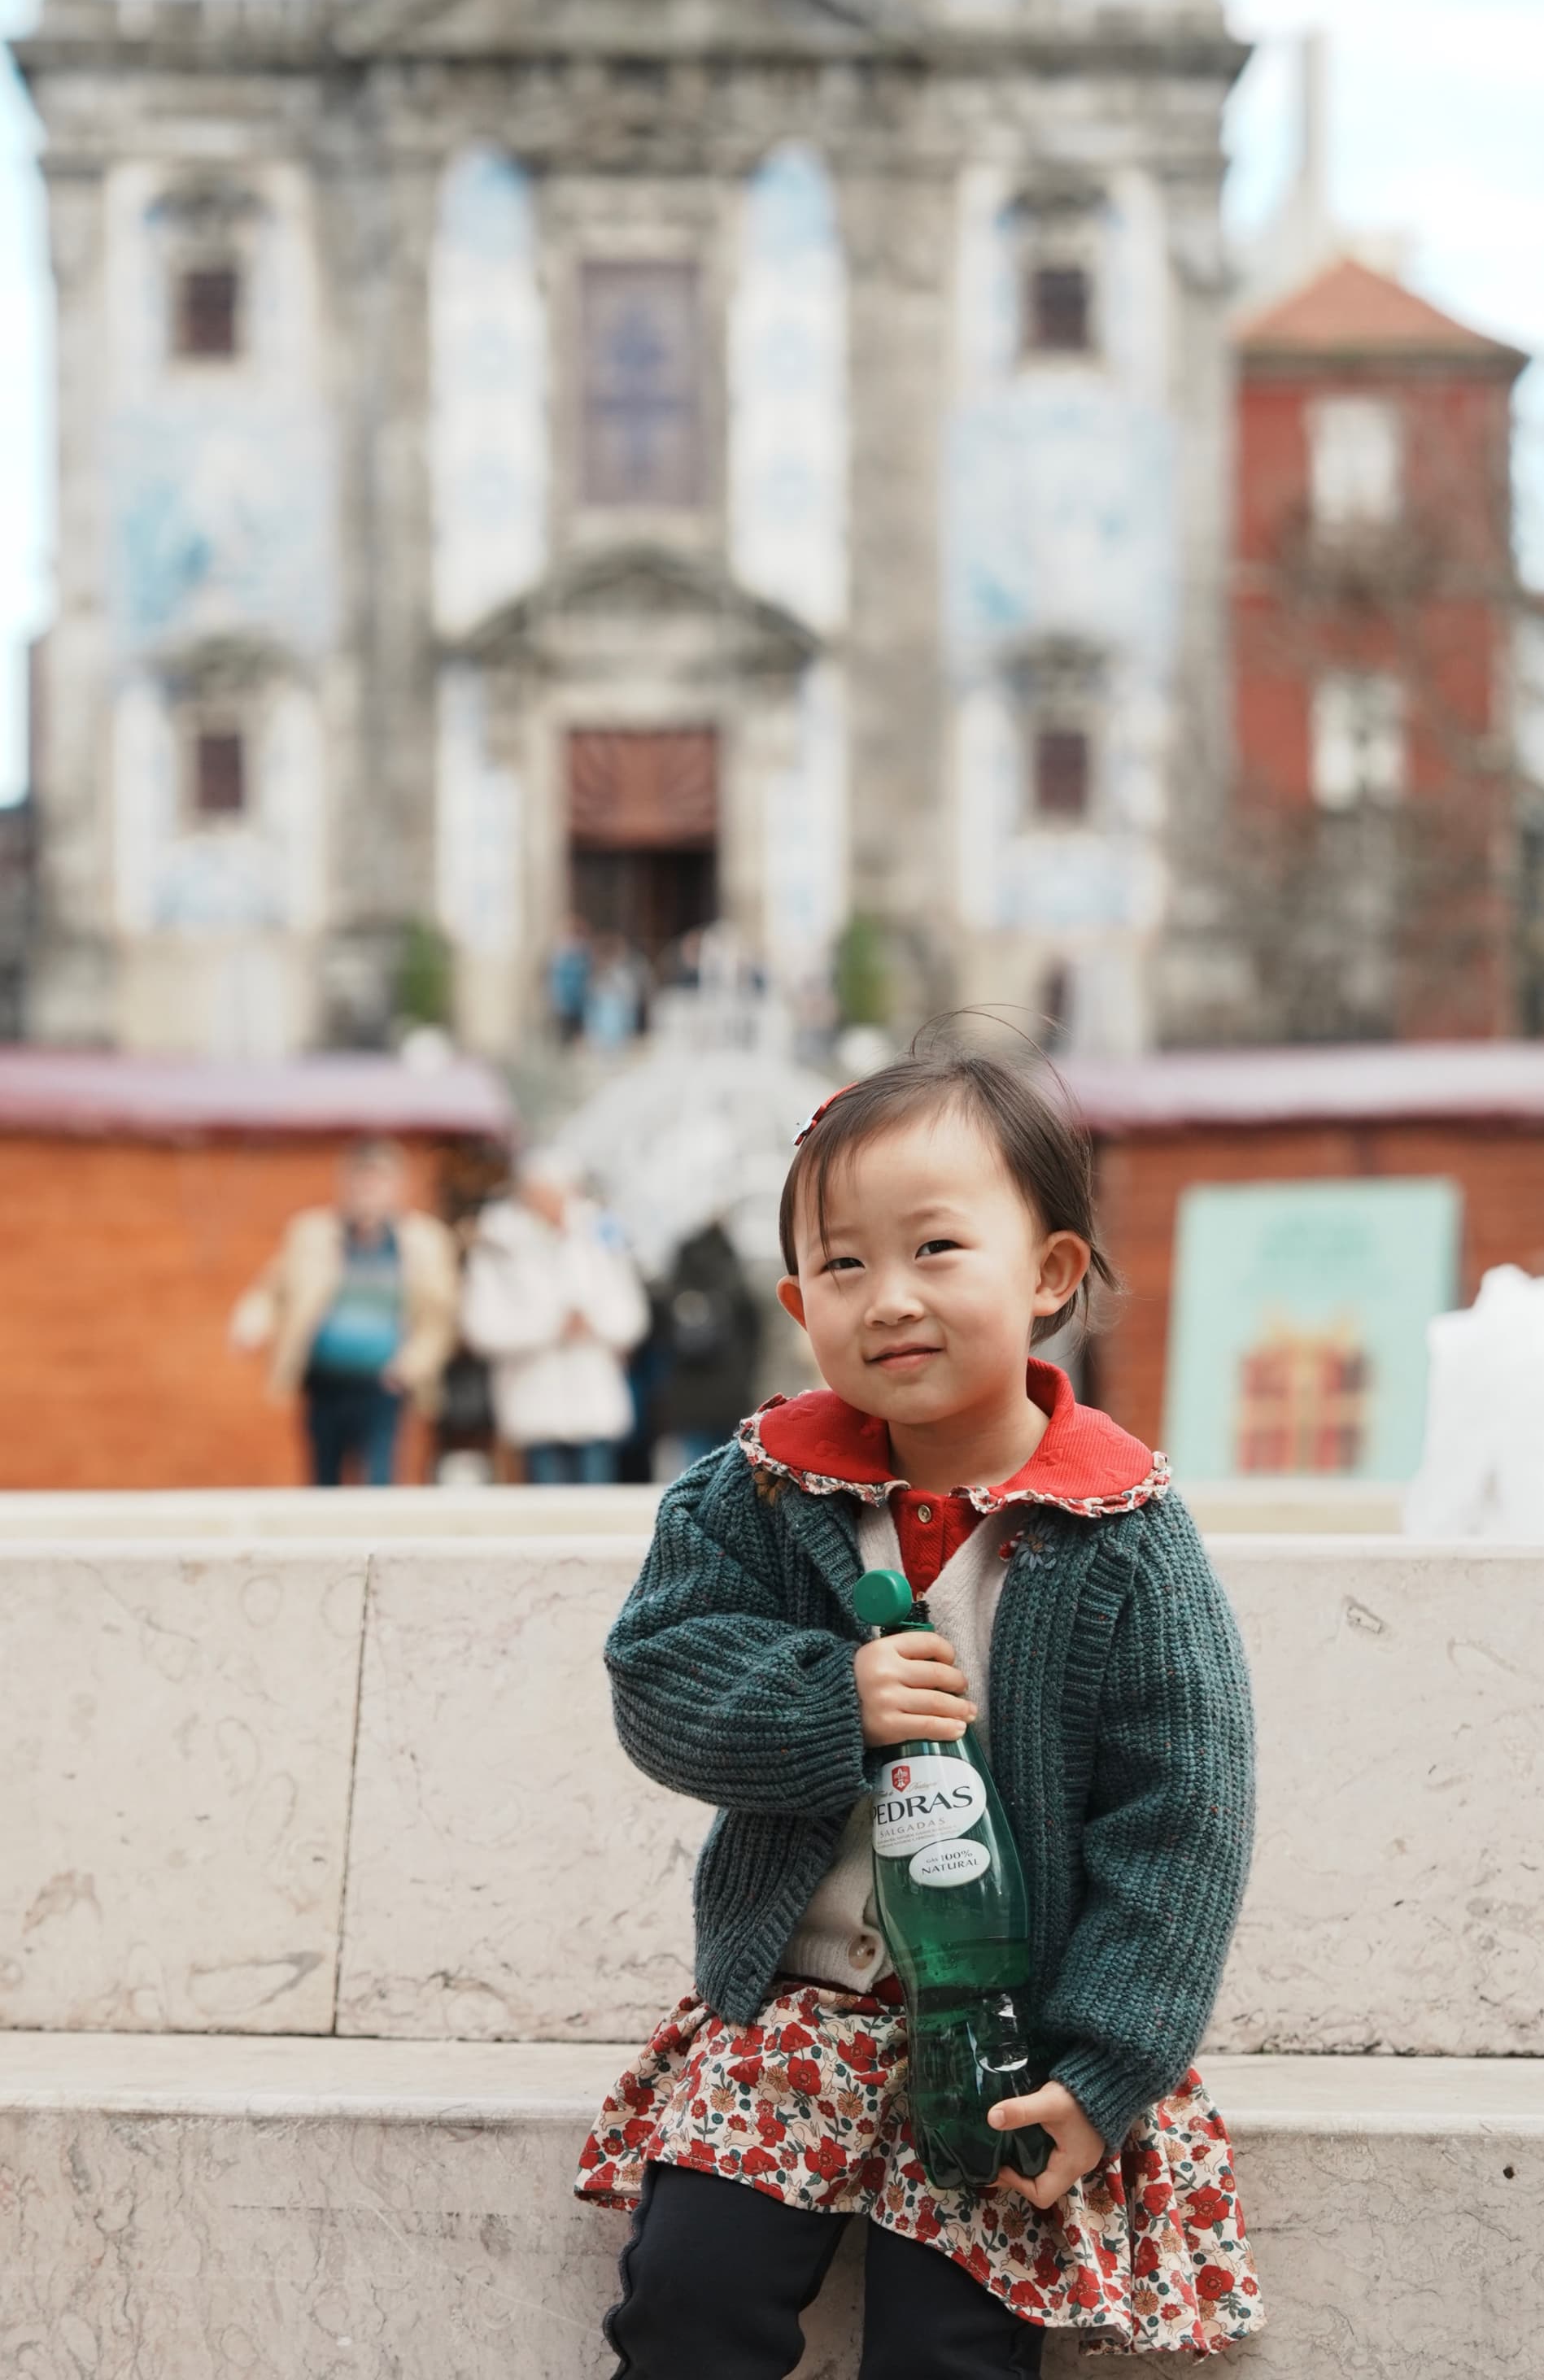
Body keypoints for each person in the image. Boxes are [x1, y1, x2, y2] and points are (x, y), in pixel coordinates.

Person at [576, 1040, 1263, 2372]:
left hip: (1016, 2026)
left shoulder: (1121, 1533)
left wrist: (1110, 2062)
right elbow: (656, 1671)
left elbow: (1183, 1811)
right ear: (796, 1301)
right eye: (842, 1265)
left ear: (1051, 1272)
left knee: (952, 2343)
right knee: (687, 2292)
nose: (886, 1297)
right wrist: (828, 1699)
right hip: (805, 2005)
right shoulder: (761, 1492)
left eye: (935, 1248)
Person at [229, 1140, 458, 1487]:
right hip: (325, 1380)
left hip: (385, 1382)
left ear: (398, 1187)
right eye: (361, 1181)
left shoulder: (423, 1242)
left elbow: (440, 1319)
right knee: (324, 1477)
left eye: (378, 1181)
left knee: (378, 1478)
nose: (369, 1190)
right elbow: (272, 1292)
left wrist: (411, 1366)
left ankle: (378, 1544)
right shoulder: (313, 1234)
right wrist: (250, 1325)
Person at [460, 1149, 649, 1484]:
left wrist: (593, 1324)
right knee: (545, 1505)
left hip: (594, 1400)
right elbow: (482, 1327)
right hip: (533, 1400)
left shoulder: (601, 1235)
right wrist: (552, 1327)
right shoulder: (497, 1242)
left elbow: (631, 1315)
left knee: (597, 1499)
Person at [647, 1216, 762, 1480]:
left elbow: (660, 1337)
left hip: (687, 1397)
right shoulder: (733, 1276)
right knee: (731, 1470)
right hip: (731, 1392)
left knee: (693, 1471)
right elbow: (754, 1333)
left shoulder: (677, 1282)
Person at [546, 917, 592, 1046]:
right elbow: (555, 977)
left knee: (575, 1029)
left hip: (577, 998)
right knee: (564, 1029)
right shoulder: (561, 954)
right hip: (565, 999)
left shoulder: (582, 953)